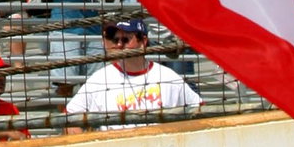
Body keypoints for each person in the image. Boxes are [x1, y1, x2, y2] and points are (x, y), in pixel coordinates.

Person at [64, 15, 202, 124]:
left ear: (143, 41)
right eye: (115, 39)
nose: (119, 44)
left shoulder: (168, 77)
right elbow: (69, 117)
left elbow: (199, 110)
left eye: (125, 39)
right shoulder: (99, 80)